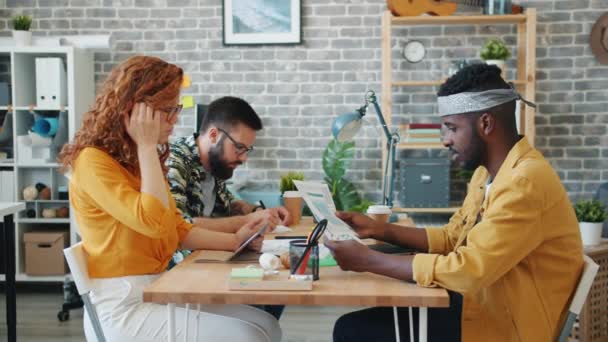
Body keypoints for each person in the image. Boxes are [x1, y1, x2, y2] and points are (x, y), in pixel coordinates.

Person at [326, 64, 583, 342]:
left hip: (505, 327)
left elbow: (469, 271)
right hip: (484, 305)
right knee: (357, 326)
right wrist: (379, 230)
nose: (445, 140)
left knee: (353, 331)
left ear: (485, 123)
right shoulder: (488, 173)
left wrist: (368, 260)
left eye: (451, 128)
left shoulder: (524, 181)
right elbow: (453, 238)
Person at [59, 55, 281, 342]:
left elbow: (175, 228)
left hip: (156, 288)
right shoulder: (93, 161)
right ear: (135, 110)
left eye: (175, 108)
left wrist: (237, 240)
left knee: (266, 325)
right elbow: (152, 223)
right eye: (167, 110)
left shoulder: (138, 162)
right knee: (249, 336)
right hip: (123, 306)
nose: (175, 119)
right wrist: (148, 146)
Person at [167, 96, 290, 319]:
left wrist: (255, 212)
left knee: (278, 284)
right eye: (239, 148)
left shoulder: (214, 164)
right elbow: (180, 225)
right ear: (214, 135)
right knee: (267, 295)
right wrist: (245, 223)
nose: (243, 159)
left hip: (213, 259)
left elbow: (226, 206)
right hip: (182, 275)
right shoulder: (174, 161)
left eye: (247, 150)